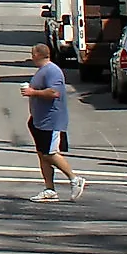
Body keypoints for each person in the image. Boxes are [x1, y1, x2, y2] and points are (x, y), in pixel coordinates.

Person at [21, 42, 86, 202]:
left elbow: (54, 92)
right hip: (39, 120)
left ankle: (75, 179)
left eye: (32, 54)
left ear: (37, 55)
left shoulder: (52, 71)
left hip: (51, 120)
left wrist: (32, 92)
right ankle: (49, 189)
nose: (31, 57)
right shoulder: (43, 71)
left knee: (50, 154)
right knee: (42, 155)